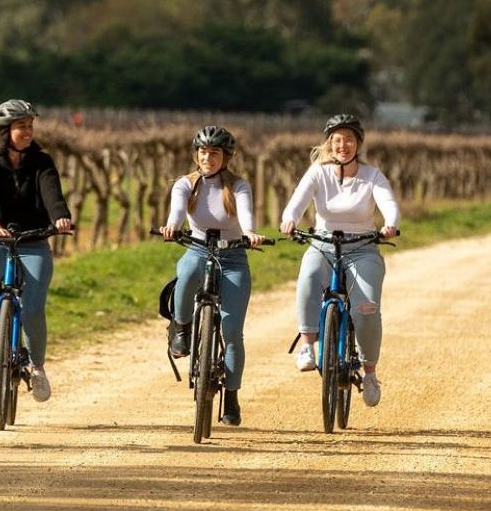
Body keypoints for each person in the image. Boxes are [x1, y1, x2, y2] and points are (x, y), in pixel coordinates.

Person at [279, 113, 400, 407]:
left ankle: (369, 373)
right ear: (329, 144)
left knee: (367, 308)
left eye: (348, 140)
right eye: (336, 140)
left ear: (357, 144)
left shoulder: (372, 176)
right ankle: (308, 345)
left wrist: (390, 225)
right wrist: (289, 220)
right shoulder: (317, 173)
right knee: (308, 277)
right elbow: (297, 202)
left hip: (363, 247)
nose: (342, 145)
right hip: (323, 243)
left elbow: (389, 205)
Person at [159, 125, 264, 426]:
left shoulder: (238, 186)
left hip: (233, 257)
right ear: (196, 154)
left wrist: (249, 233)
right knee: (187, 271)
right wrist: (171, 226)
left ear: (226, 157)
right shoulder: (186, 184)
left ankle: (231, 397)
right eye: (203, 152)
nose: (208, 158)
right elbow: (177, 212)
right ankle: (181, 328)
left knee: (232, 332)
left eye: (214, 153)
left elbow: (245, 214)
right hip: (198, 249)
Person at [0, 98, 75, 402]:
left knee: (33, 307)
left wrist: (60, 215)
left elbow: (51, 191)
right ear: (5, 131)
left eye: (30, 126)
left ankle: (37, 366)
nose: (28, 132)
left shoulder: (42, 161)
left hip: (34, 240)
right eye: (21, 127)